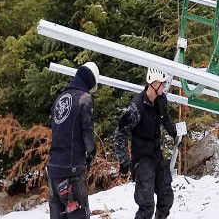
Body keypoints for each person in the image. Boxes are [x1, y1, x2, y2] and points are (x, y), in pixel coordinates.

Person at [114, 68, 179, 219]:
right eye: (162, 84)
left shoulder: (161, 100)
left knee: (166, 197)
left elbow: (166, 119)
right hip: (142, 159)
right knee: (147, 204)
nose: (164, 87)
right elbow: (120, 132)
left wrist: (176, 133)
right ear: (154, 84)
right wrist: (124, 160)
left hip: (156, 155)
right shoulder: (137, 107)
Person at [47, 62, 100, 219]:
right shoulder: (84, 99)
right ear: (90, 81)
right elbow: (87, 134)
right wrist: (91, 155)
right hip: (71, 174)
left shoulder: (59, 99)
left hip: (53, 172)